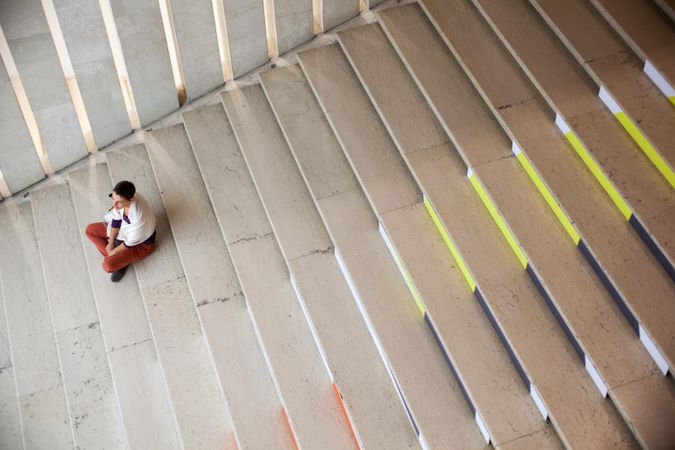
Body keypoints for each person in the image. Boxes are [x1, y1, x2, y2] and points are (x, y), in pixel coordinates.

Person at [85, 181, 157, 282]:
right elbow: (116, 219)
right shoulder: (122, 201)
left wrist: (113, 252)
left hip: (141, 245)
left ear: (130, 199)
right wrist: (110, 243)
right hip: (125, 232)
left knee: (107, 266)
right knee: (90, 230)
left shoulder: (140, 219)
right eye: (113, 198)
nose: (114, 204)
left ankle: (119, 263)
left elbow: (127, 244)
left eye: (118, 202)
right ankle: (120, 261)